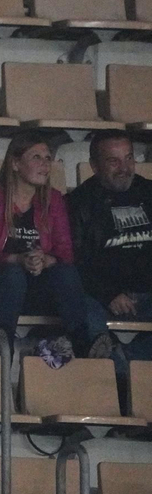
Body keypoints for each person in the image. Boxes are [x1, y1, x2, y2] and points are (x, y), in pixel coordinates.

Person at [0, 132, 110, 366]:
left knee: (65, 273)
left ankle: (81, 342)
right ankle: (3, 341)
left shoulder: (53, 200)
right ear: (15, 163)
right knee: (12, 274)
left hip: (30, 288)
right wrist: (14, 259)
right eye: (36, 157)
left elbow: (65, 254)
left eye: (48, 158)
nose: (45, 164)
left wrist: (45, 260)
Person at [67, 130, 152, 360]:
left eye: (129, 158)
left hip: (147, 293)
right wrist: (108, 294)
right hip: (99, 297)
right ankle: (110, 362)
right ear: (94, 166)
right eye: (114, 161)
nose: (124, 168)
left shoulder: (149, 192)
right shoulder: (78, 202)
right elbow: (73, 261)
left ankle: (125, 360)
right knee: (77, 303)